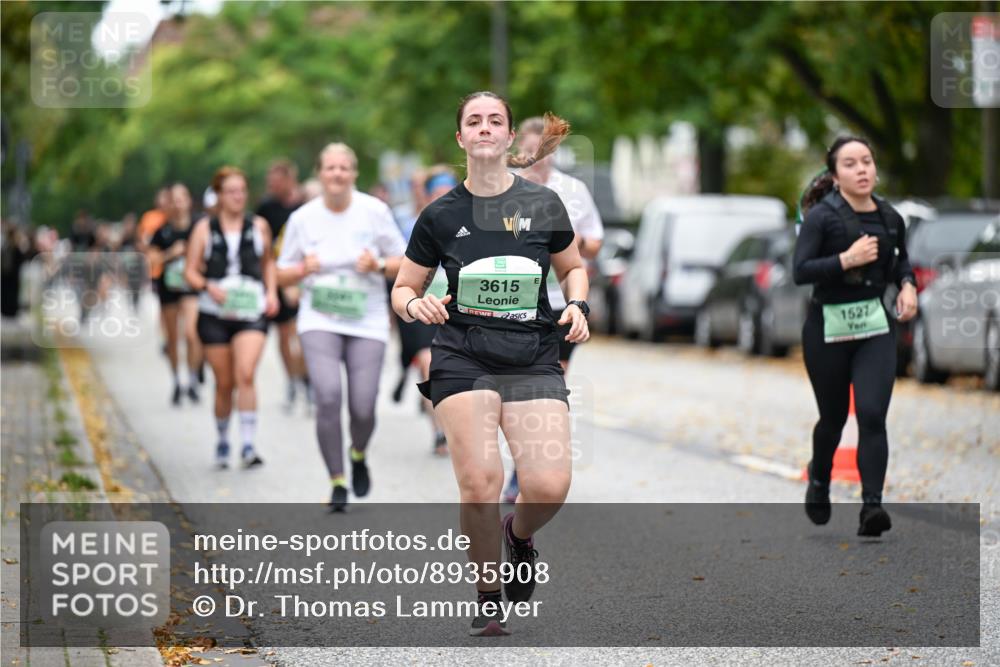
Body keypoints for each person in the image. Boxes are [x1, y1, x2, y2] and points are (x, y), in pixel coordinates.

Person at [391, 92, 589, 636]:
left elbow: (573, 268)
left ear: (507, 139)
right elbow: (403, 287)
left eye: (494, 120)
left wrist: (577, 303)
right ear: (461, 139)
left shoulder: (543, 203)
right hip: (462, 355)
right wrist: (415, 304)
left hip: (532, 355)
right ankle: (488, 592)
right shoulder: (440, 214)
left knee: (548, 484)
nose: (483, 128)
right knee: (480, 479)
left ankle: (519, 535)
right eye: (473, 121)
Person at [793, 136, 917, 538]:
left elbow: (901, 263)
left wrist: (908, 285)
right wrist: (846, 259)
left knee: (871, 415)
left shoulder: (890, 217)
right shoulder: (821, 218)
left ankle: (872, 507)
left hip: (874, 327)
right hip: (827, 328)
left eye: (867, 161)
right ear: (835, 175)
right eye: (850, 164)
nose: (862, 169)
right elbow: (801, 270)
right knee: (832, 419)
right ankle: (820, 479)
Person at [277, 143, 405, 512]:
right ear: (319, 173)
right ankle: (337, 479)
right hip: (319, 317)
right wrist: (303, 269)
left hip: (367, 318)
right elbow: (281, 271)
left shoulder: (375, 211)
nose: (337, 174)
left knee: (363, 406)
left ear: (354, 173)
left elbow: (405, 261)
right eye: (330, 168)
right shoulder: (302, 218)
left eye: (344, 168)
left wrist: (378, 264)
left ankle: (358, 452)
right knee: (329, 396)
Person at [502, 116, 605, 503]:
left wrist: (576, 243)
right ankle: (523, 463)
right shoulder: (509, 189)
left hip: (562, 305)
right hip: (519, 303)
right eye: (530, 149)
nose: (537, 156)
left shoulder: (573, 189)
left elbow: (595, 241)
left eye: (544, 149)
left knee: (549, 384)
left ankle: (523, 473)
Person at [184, 167, 279, 469]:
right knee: (224, 383)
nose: (238, 196)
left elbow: (268, 264)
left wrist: (272, 293)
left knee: (246, 373)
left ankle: (249, 445)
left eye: (241, 190)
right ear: (220, 196)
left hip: (250, 311)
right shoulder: (204, 229)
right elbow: (190, 270)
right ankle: (224, 439)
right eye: (231, 191)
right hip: (215, 314)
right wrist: (206, 286)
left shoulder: (259, 226)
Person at [392, 166, 458, 456]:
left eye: (449, 192)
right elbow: (400, 269)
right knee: (427, 361)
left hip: (454, 305)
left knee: (447, 369)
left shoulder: (470, 221)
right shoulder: (414, 223)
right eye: (437, 193)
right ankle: (440, 431)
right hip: (421, 304)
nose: (443, 198)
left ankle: (437, 407)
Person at [256, 159, 309, 411]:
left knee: (303, 333)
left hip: (305, 275)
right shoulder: (266, 207)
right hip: (278, 275)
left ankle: (306, 379)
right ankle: (291, 379)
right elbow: (261, 244)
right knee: (284, 333)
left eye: (275, 183)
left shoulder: (305, 205)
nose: (271, 187)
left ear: (289, 180)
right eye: (269, 184)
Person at [149, 183, 203, 405]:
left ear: (189, 201)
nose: (178, 204)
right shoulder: (161, 232)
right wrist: (171, 253)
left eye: (182, 198)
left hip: (191, 288)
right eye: (174, 199)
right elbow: (152, 260)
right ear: (168, 204)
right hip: (169, 288)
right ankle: (176, 381)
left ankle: (192, 378)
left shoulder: (199, 227)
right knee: (173, 338)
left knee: (192, 333)